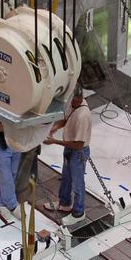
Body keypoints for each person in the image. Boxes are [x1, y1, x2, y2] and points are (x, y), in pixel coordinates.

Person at [42, 89, 92, 220]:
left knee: (77, 184)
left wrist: (54, 141)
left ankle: (78, 213)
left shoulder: (82, 116)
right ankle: (64, 203)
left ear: (79, 99)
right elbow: (66, 118)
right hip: (70, 149)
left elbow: (79, 144)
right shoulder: (72, 103)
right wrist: (54, 128)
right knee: (66, 178)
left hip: (78, 152)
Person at [0, 119, 21, 218]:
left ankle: (0, 203)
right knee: (6, 175)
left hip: (17, 141)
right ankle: (12, 205)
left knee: (13, 173)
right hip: (2, 142)